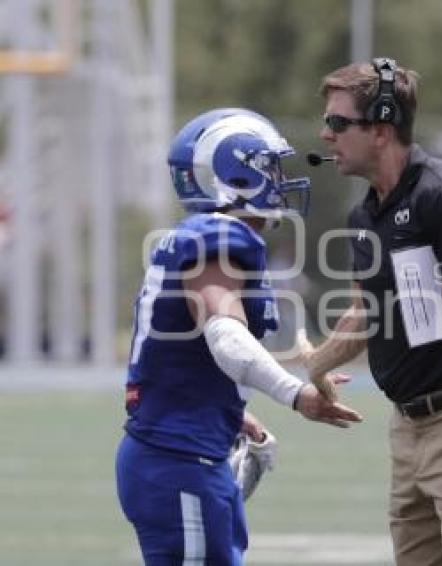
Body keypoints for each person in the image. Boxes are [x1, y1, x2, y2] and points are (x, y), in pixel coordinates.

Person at [298, 58, 442, 565]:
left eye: (338, 123)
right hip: (406, 429)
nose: (326, 133)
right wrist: (313, 367)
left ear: (380, 130)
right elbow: (367, 311)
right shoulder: (364, 214)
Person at [115, 107, 362, 565]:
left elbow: (174, 356)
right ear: (237, 176)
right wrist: (297, 395)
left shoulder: (198, 237)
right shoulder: (220, 238)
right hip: (179, 460)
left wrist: (231, 412)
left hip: (179, 451)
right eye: (269, 167)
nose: (280, 179)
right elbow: (225, 337)